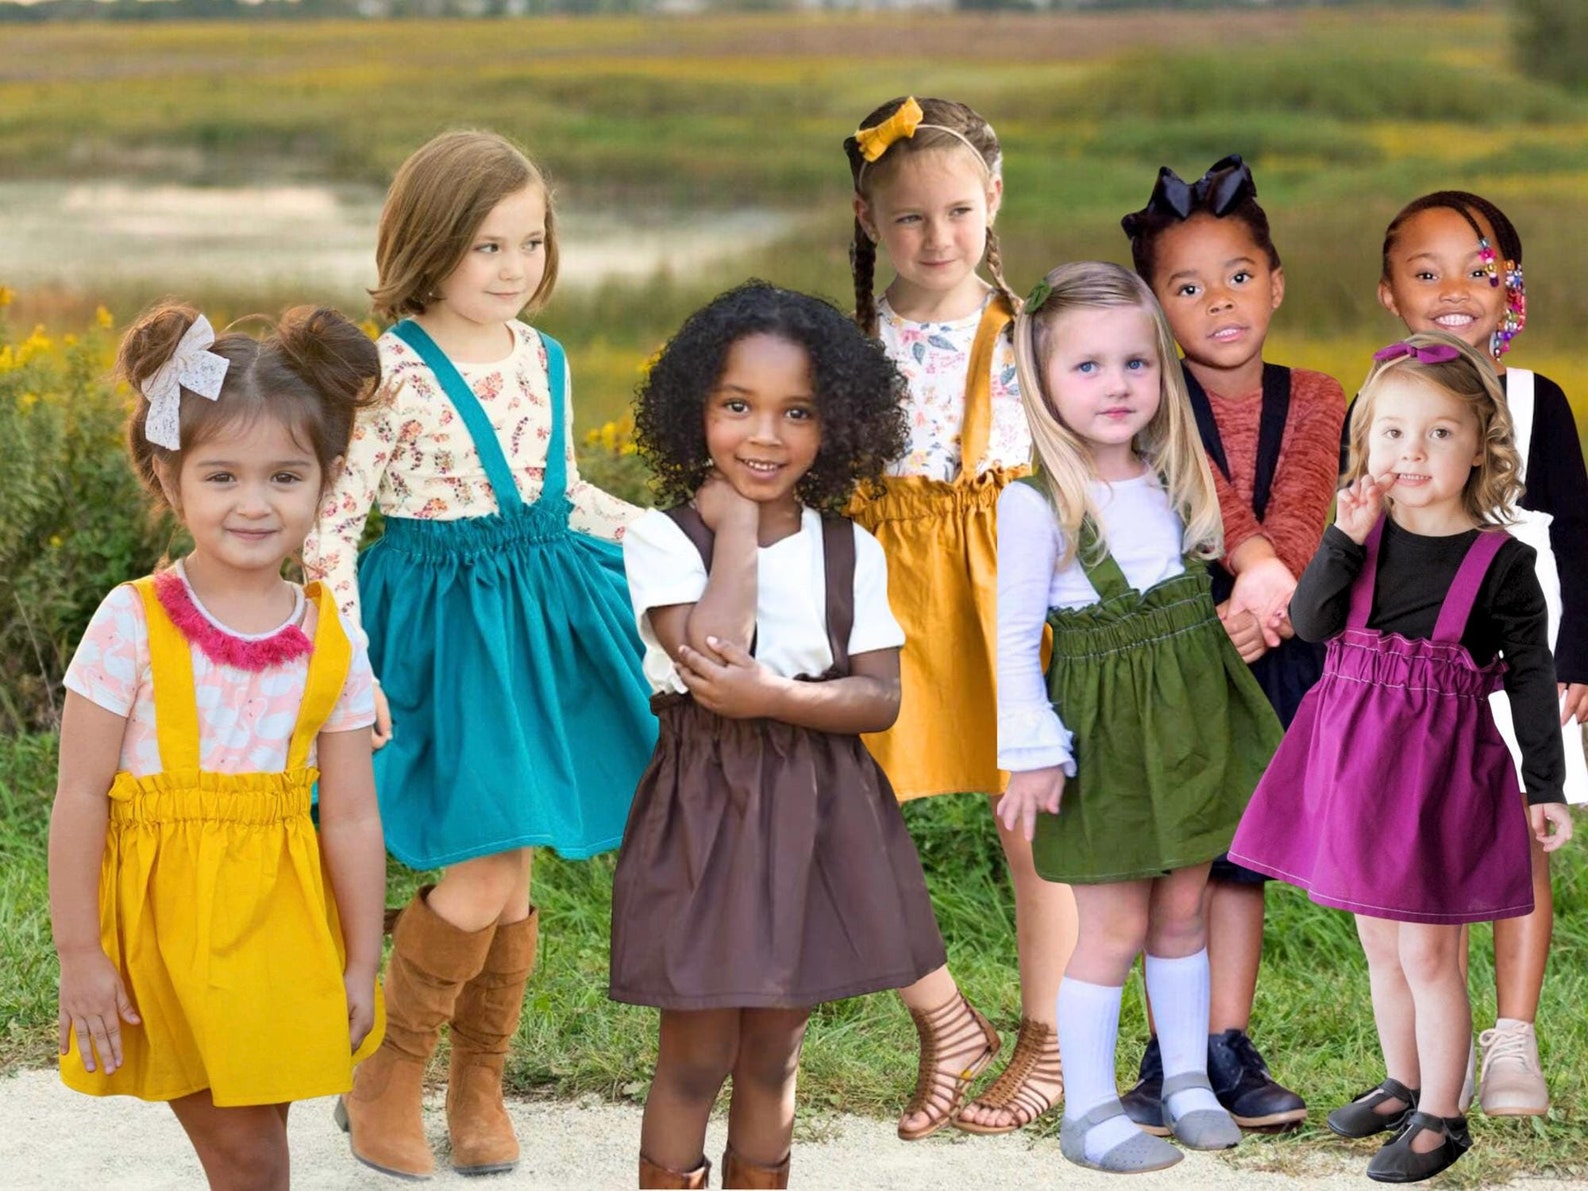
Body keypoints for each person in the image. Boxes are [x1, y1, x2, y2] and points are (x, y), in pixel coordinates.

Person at [305, 129, 654, 1179]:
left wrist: (656, 532)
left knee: (512, 873)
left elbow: (557, 490)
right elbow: (332, 531)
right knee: (483, 860)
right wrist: (350, 668)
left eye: (530, 243)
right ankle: (387, 1074)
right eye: (486, 249)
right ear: (427, 248)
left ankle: (477, 1085)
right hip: (447, 636)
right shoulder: (390, 373)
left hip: (540, 623)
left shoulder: (543, 358)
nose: (513, 270)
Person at [610, 281, 949, 1189]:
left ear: (835, 422)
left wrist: (778, 696)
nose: (764, 436)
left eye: (796, 411)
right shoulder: (664, 535)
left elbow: (879, 698)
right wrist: (732, 531)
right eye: (737, 406)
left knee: (775, 1052)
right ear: (697, 411)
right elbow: (714, 666)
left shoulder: (853, 549)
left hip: (812, 815)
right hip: (705, 818)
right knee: (695, 1049)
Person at [50, 302, 386, 1191]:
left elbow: (350, 815)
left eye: (284, 475)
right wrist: (80, 953)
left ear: (328, 478)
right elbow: (80, 793)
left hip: (281, 925)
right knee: (247, 1153)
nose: (253, 502)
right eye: (222, 475)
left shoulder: (329, 636)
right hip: (166, 925)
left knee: (259, 1129)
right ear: (171, 477)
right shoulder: (132, 620)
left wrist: (361, 958)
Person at [1231, 333, 1572, 1182]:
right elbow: (1308, 625)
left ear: (1482, 446)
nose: (1411, 452)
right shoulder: (1361, 537)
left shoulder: (1502, 565)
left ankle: (1442, 1117)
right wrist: (1342, 538)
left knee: (1427, 953)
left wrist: (1546, 785)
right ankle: (1405, 1080)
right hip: (1353, 768)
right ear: (1366, 441)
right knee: (1379, 943)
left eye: (1438, 434)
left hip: (1435, 783)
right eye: (1391, 432)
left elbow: (1531, 678)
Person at [997, 261, 1282, 1173]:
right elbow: (1010, 641)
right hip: (1105, 739)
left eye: (1134, 363)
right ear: (1038, 381)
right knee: (1112, 926)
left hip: (1192, 721)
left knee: (1184, 912)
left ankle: (1187, 1080)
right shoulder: (1035, 502)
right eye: (1086, 367)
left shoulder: (1171, 472)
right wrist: (1032, 750)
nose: (1115, 385)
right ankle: (1086, 1108)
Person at [843, 94, 1070, 1139]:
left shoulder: (1037, 335)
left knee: (1031, 821)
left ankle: (1048, 1038)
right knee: (844, 810)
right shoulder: (844, 345)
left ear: (994, 201)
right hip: (884, 597)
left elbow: (1088, 471)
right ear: (865, 219)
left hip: (1011, 598)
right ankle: (942, 1015)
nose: (937, 239)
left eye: (958, 212)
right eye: (908, 218)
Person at [1116, 153, 1345, 1133]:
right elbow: (1198, 489)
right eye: (1187, 286)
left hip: (1276, 638)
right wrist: (1241, 587)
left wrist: (1265, 590)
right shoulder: (1145, 395)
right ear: (1153, 307)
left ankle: (1224, 1047)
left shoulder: (1324, 395)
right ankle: (1161, 1055)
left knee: (1237, 860)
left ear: (1277, 281)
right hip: (1177, 637)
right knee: (1173, 857)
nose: (1219, 301)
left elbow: (1300, 504)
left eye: (1239, 276)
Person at [1374, 191, 1588, 1116]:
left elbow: (1578, 536)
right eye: (1426, 273)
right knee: (1427, 851)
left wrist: (1580, 650)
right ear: (1390, 294)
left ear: (1512, 288)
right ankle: (1441, 1041)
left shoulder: (1540, 401)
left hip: (1526, 668)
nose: (1454, 289)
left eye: (1478, 269)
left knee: (1516, 845)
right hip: (1423, 682)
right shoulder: (1382, 405)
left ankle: (1514, 1040)